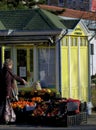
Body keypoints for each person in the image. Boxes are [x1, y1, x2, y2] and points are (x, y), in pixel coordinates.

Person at [0, 58, 27, 124]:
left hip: (2, 91)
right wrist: (8, 94)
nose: (12, 66)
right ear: (9, 65)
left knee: (3, 106)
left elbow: (14, 76)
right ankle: (3, 119)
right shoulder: (7, 73)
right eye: (11, 64)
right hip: (5, 92)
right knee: (3, 106)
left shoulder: (4, 70)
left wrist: (22, 80)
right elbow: (8, 84)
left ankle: (3, 119)